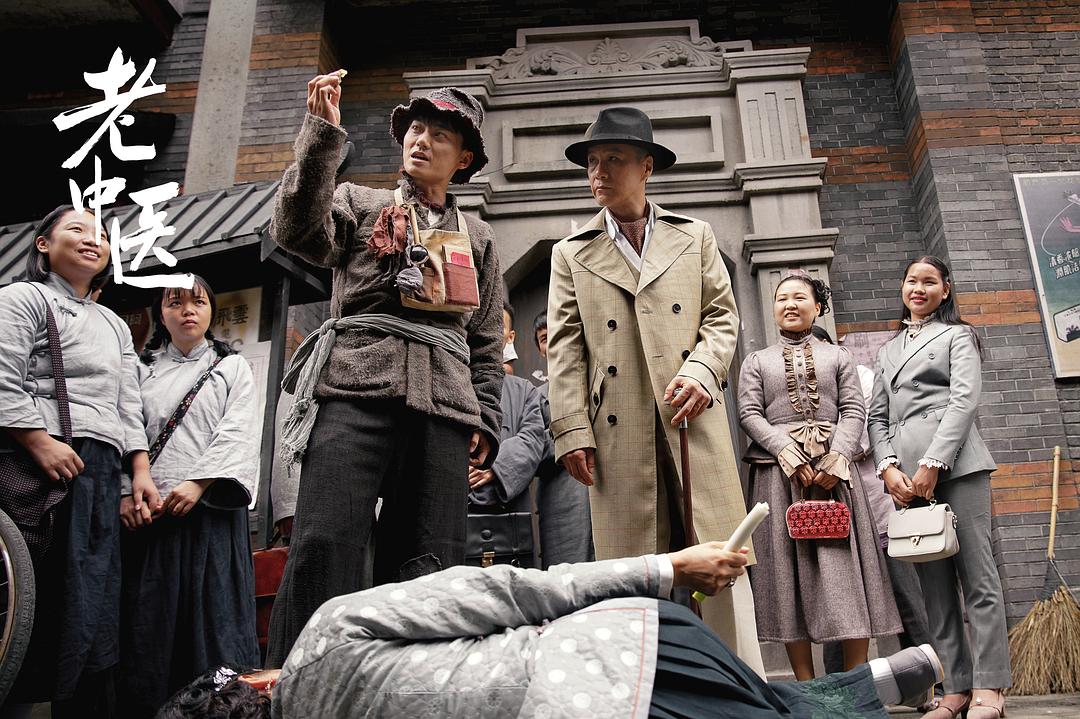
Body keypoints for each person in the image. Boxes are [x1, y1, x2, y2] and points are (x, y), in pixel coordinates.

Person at [264, 74, 505, 667]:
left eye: (440, 135)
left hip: (445, 406)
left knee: (430, 555)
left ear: (464, 158)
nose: (422, 141)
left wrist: (485, 417)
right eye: (416, 129)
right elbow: (294, 231)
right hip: (355, 389)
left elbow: (484, 339)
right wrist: (321, 138)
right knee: (324, 541)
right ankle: (302, 678)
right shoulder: (358, 203)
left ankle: (415, 683)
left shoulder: (477, 236)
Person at [157, 542, 944, 719]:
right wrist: (666, 566)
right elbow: (509, 590)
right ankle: (862, 688)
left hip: (594, 693)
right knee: (762, 706)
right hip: (621, 656)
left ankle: (858, 690)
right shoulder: (329, 631)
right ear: (251, 678)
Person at [546, 106, 760, 667]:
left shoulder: (695, 236)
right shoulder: (569, 252)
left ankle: (737, 687)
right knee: (632, 572)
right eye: (592, 162)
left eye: (613, 159)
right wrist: (570, 430)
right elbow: (565, 347)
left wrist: (703, 371)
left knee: (720, 562)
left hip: (690, 418)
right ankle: (645, 688)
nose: (598, 172)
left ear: (646, 167)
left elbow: (722, 316)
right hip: (617, 431)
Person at [0, 206, 150, 718]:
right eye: (77, 230)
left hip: (100, 470)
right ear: (43, 244)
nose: (93, 240)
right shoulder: (23, 298)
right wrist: (38, 440)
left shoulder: (113, 323)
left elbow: (127, 403)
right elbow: (3, 375)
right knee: (32, 596)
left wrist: (138, 472)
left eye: (101, 235)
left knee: (88, 598)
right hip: (39, 461)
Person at [737, 273, 901, 680]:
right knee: (786, 575)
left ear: (818, 307)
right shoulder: (756, 361)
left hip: (835, 479)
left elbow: (854, 409)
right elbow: (749, 413)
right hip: (779, 479)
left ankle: (856, 681)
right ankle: (807, 687)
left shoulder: (839, 357)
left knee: (846, 573)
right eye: (781, 298)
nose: (789, 305)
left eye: (799, 297)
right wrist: (785, 451)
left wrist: (838, 456)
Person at [869, 256, 1010, 719]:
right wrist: (888, 468)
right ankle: (956, 688)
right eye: (911, 280)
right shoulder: (887, 350)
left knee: (979, 578)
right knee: (934, 588)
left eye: (929, 281)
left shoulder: (957, 335)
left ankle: (990, 685)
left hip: (958, 468)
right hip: (908, 481)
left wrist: (934, 461)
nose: (918, 288)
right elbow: (877, 416)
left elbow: (963, 400)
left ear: (945, 290)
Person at [116, 275, 260, 718]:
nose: (187, 311)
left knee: (214, 624)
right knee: (149, 629)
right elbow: (123, 428)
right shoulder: (140, 370)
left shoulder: (231, 367)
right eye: (175, 302)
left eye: (198, 302)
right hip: (151, 515)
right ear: (160, 314)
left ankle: (222, 709)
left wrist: (199, 483)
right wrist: (126, 492)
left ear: (211, 310)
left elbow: (238, 429)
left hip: (211, 514)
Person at [816, 325, 933, 704]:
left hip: (880, 509)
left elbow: (869, 437)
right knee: (839, 608)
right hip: (836, 516)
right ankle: (838, 697)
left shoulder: (863, 378)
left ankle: (931, 689)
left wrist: (830, 447)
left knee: (907, 598)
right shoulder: (805, 390)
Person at [466, 303, 545, 565]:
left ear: (509, 337)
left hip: (509, 516)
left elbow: (533, 439)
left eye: (497, 325)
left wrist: (495, 466)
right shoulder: (449, 382)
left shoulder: (524, 391)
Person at [531, 311, 594, 567]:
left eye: (557, 333)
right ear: (540, 350)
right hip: (561, 502)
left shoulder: (596, 384)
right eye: (544, 338)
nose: (552, 342)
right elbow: (532, 447)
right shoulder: (534, 397)